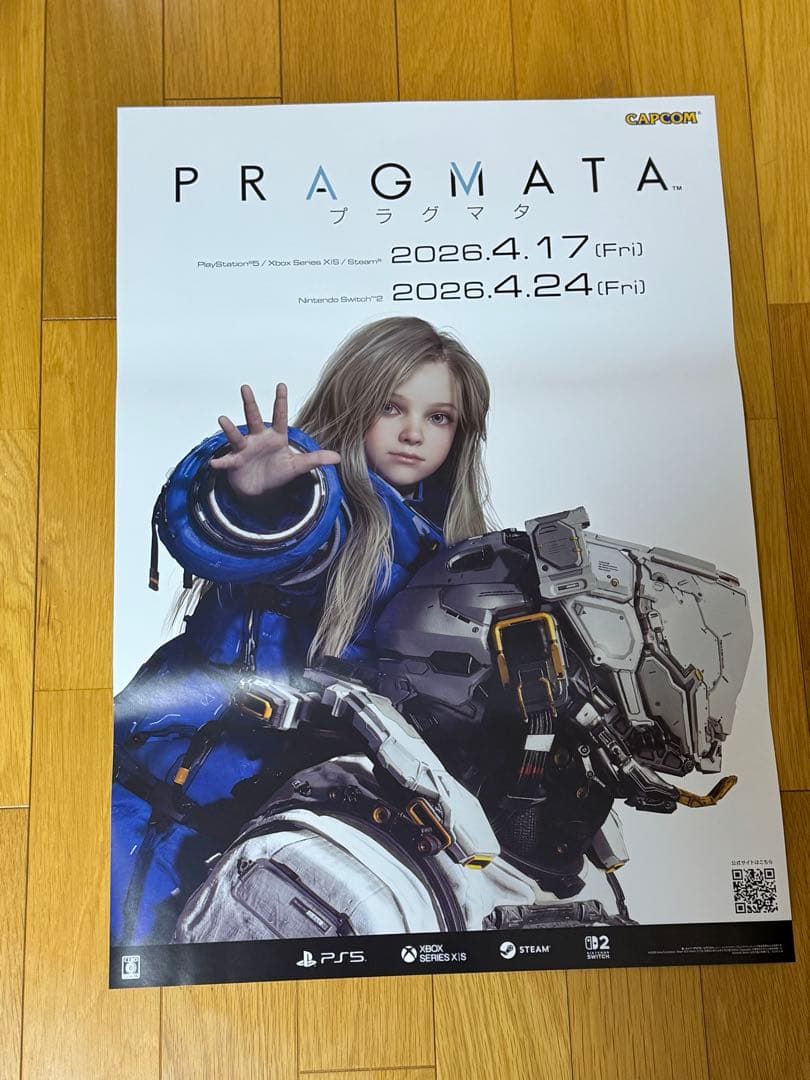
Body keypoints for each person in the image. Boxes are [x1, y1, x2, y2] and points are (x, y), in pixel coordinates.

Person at [111, 316, 494, 943]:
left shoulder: (452, 553)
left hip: (286, 823)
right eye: (391, 407)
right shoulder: (327, 504)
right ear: (353, 402)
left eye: (439, 417)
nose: (413, 433)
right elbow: (280, 537)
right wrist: (257, 496)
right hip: (166, 803)